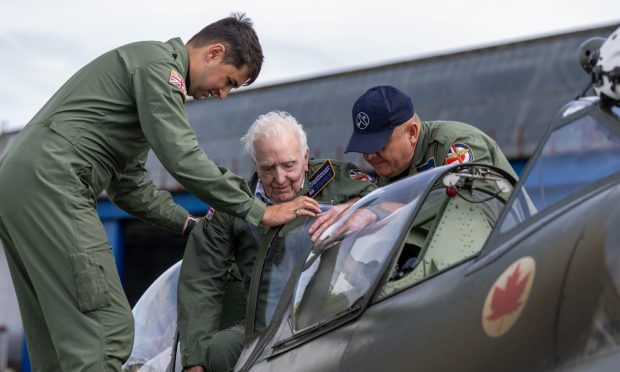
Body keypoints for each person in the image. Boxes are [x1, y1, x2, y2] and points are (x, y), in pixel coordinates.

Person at [0, 13, 319, 372]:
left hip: (20, 185)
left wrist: (187, 225)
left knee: (59, 341)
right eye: (228, 81)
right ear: (213, 53)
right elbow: (181, 155)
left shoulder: (141, 83)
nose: (222, 95)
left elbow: (128, 185)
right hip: (53, 182)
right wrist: (257, 210)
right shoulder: (158, 69)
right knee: (106, 329)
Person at [177, 111, 376, 372]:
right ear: (255, 164)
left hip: (336, 315)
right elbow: (202, 276)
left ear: (306, 158)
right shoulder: (234, 204)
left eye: (289, 165)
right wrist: (195, 361)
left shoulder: (336, 180)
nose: (280, 179)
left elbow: (388, 200)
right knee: (220, 351)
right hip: (265, 328)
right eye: (268, 168)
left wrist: (353, 209)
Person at [309, 84, 516, 240]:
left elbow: (465, 207)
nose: (370, 156)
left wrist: (375, 211)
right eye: (365, 147)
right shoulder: (389, 169)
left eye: (379, 145)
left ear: (412, 133)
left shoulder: (456, 146)